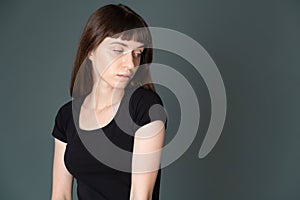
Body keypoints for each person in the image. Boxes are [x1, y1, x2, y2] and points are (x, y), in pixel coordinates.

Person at [51, 3, 166, 200]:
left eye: (137, 54)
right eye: (118, 50)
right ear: (91, 51)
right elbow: (60, 194)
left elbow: (141, 196)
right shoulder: (66, 117)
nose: (130, 64)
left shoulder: (145, 107)